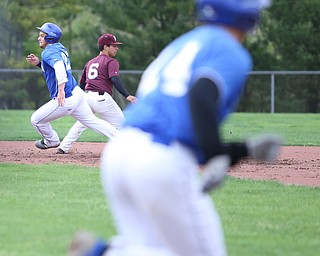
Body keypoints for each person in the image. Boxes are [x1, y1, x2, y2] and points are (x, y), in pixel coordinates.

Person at [69, 0, 281, 256]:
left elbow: (169, 107)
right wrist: (216, 153)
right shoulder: (228, 49)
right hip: (160, 158)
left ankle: (106, 252)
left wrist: (240, 149)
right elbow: (201, 95)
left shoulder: (181, 44)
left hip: (120, 153)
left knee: (151, 249)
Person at [26, 22, 118, 150]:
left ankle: (52, 140)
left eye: (42, 35)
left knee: (36, 120)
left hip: (67, 97)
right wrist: (38, 63)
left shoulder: (48, 52)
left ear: (50, 37)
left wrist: (61, 90)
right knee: (93, 121)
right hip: (77, 94)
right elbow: (53, 67)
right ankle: (121, 139)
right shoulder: (60, 47)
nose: (39, 38)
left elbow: (59, 68)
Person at [57, 33, 137, 154]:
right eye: (114, 46)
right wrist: (127, 95)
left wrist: (76, 99)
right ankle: (127, 149)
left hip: (87, 97)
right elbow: (115, 79)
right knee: (121, 125)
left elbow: (82, 85)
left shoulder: (89, 63)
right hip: (102, 99)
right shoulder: (111, 61)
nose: (116, 48)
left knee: (82, 122)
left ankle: (64, 147)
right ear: (105, 47)